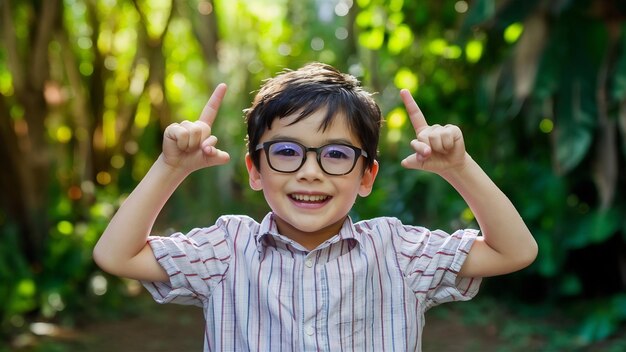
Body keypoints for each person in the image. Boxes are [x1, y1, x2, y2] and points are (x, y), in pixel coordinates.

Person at [93, 62, 538, 351]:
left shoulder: (398, 253)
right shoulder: (226, 251)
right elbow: (117, 255)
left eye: (337, 154)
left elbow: (514, 251)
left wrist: (459, 168)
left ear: (366, 177)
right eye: (286, 152)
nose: (310, 172)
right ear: (255, 169)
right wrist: (172, 167)